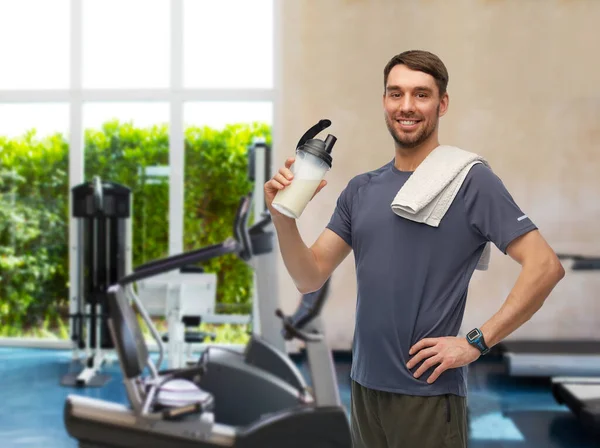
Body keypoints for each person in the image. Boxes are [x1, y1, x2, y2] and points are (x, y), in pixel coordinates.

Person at [263, 50, 565, 448]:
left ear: (442, 104)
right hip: (364, 387)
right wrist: (282, 215)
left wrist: (476, 342)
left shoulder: (471, 182)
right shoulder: (361, 189)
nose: (407, 106)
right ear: (385, 102)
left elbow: (545, 266)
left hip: (426, 395)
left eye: (421, 95)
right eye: (396, 94)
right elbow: (309, 276)